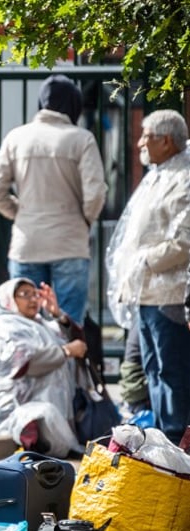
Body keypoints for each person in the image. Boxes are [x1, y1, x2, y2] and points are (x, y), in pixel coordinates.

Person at [0, 74, 107, 321]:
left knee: (25, 323)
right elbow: (95, 194)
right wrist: (83, 221)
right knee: (68, 324)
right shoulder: (82, 139)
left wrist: (20, 213)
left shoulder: (16, 138)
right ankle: (66, 361)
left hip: (27, 242)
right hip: (69, 241)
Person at [107, 109, 190, 444]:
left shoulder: (183, 177)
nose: (139, 142)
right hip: (145, 293)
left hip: (168, 293)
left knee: (171, 371)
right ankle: (160, 439)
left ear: (166, 141)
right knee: (153, 370)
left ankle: (174, 440)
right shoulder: (159, 174)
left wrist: (145, 262)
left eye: (146, 135)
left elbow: (183, 240)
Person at [0, 278, 85, 458]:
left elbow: (77, 341)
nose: (33, 300)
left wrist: (57, 314)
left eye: (35, 294)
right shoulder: (2, 327)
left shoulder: (39, 323)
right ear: (8, 299)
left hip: (40, 401)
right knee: (41, 416)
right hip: (6, 407)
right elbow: (24, 364)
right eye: (24, 295)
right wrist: (65, 351)